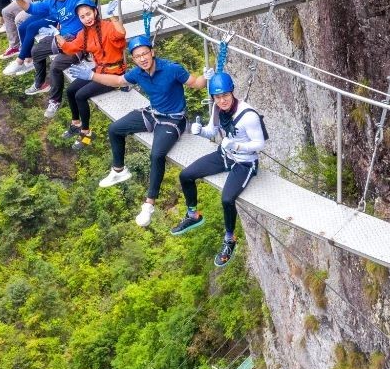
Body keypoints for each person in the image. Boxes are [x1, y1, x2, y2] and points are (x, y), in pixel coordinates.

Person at [89, 36, 209, 227]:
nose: (142, 58)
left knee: (156, 155)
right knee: (114, 129)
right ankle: (119, 170)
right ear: (134, 59)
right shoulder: (138, 73)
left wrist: (207, 76)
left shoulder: (172, 69)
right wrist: (91, 76)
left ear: (152, 52)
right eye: (138, 56)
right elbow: (119, 81)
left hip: (173, 119)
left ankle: (148, 205)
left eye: (145, 53)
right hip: (153, 113)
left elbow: (196, 84)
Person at [176, 71, 266, 267]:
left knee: (227, 199)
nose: (222, 100)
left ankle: (230, 239)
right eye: (218, 97)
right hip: (225, 155)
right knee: (186, 175)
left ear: (232, 92)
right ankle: (193, 215)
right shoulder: (217, 108)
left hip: (244, 162)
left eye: (225, 95)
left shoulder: (248, 116)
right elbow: (212, 130)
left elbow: (259, 144)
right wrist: (199, 131)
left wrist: (237, 146)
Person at [19, 0, 101, 118]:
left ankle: (54, 100)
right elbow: (31, 9)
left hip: (79, 42)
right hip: (61, 37)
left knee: (56, 65)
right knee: (36, 51)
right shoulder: (51, 2)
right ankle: (40, 84)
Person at [58, 0, 127, 148]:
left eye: (88, 14)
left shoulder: (108, 27)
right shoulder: (85, 34)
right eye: (82, 17)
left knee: (80, 95)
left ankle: (86, 133)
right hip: (99, 70)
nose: (87, 19)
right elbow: (70, 48)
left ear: (95, 12)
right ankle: (76, 123)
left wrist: (112, 16)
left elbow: (121, 34)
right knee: (70, 90)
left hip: (114, 74)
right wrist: (56, 35)